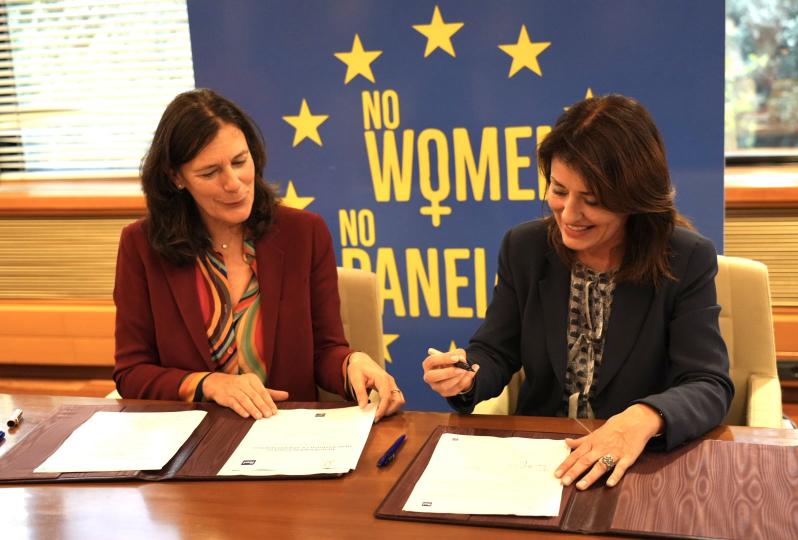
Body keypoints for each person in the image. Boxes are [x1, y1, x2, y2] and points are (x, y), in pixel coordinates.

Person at [422, 94, 734, 490]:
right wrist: (466, 374)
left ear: (635, 199)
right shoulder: (524, 248)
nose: (569, 214)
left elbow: (708, 383)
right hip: (539, 462)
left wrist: (642, 417)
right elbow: (496, 351)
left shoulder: (685, 257)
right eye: (559, 190)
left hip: (635, 464)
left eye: (592, 200)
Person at [114, 88, 404, 422]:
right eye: (210, 173)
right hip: (193, 437)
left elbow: (324, 350)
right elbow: (132, 373)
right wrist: (209, 384)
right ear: (176, 177)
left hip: (286, 431)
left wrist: (352, 363)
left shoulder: (304, 233)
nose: (234, 183)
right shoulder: (141, 245)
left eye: (240, 162)